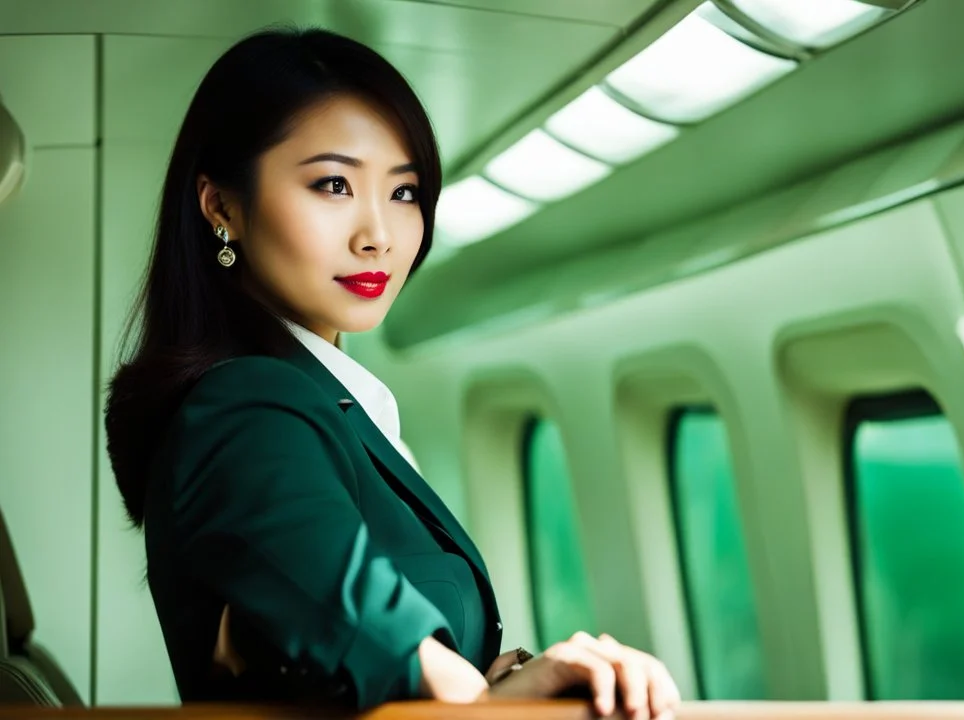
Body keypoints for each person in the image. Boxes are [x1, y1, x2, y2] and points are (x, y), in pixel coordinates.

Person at [103, 26, 679, 718]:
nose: (377, 233)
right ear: (222, 206)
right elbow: (350, 616)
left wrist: (489, 682)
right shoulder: (245, 404)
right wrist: (471, 693)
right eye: (334, 184)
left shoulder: (332, 405)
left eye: (404, 193)